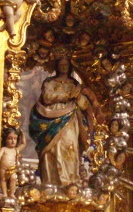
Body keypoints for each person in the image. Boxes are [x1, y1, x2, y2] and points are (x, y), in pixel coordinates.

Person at [28, 55, 96, 186]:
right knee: (51, 150)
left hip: (70, 118)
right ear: (57, 66)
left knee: (69, 147)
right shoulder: (49, 82)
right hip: (50, 118)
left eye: (66, 65)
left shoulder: (74, 84)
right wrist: (67, 95)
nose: (64, 67)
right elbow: (47, 97)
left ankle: (69, 183)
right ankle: (50, 182)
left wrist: (84, 101)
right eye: (61, 64)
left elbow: (82, 102)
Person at [0, 127, 24, 198]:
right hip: (3, 168)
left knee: (13, 178)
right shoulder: (4, 149)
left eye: (15, 138)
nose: (13, 141)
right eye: (10, 138)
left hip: (12, 168)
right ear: (5, 139)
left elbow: (23, 144)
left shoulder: (16, 150)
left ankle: (11, 193)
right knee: (3, 179)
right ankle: (4, 193)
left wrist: (22, 134)